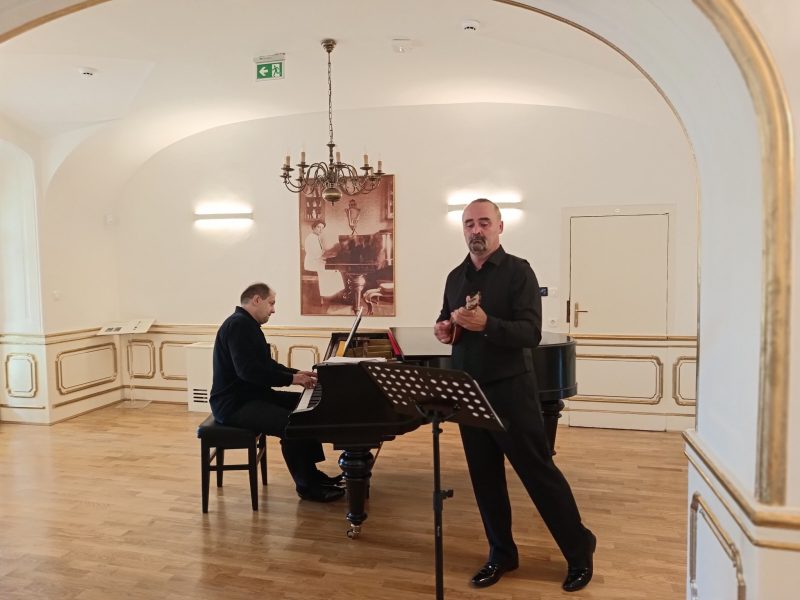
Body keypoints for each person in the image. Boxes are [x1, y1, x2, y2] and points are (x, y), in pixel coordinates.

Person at [434, 199, 596, 592]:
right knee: (484, 479)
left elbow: (530, 333)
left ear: (499, 226)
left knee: (538, 474)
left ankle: (579, 549)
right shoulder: (455, 277)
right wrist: (445, 330)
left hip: (511, 390)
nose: (476, 230)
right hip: (470, 391)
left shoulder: (519, 271)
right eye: (469, 224)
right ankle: (502, 553)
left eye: (483, 222)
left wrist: (488, 324)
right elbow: (447, 319)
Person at [209, 282, 344, 503]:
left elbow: (265, 365)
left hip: (252, 396)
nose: (273, 310)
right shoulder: (238, 325)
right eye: (271, 303)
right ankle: (307, 487)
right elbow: (248, 372)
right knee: (293, 423)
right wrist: (292, 379)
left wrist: (295, 373)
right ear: (256, 300)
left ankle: (313, 475)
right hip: (234, 404)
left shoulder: (246, 324)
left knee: (306, 408)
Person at [303, 220, 344, 299]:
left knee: (336, 272)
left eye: (322, 228)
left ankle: (332, 295)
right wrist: (332, 252)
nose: (321, 230)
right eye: (318, 227)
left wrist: (331, 253)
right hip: (312, 264)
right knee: (334, 273)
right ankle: (329, 295)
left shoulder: (315, 237)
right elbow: (316, 254)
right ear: (313, 228)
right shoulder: (311, 238)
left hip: (316, 262)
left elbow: (320, 252)